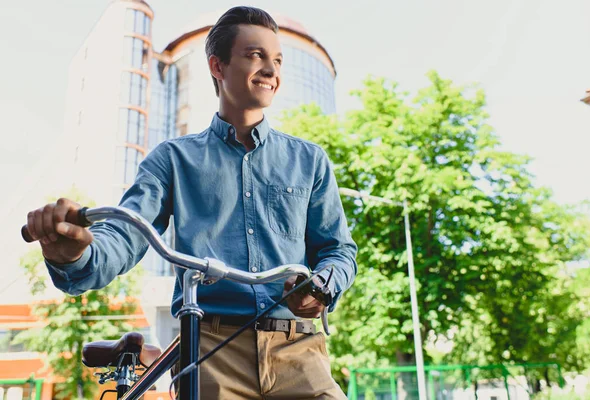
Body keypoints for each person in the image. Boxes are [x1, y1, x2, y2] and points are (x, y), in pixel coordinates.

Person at [24, 6, 357, 399]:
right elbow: (126, 232)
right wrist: (74, 254)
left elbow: (338, 250)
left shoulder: (309, 160)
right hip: (211, 351)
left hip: (298, 348)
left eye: (277, 59)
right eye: (255, 55)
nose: (271, 69)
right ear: (217, 66)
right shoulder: (173, 159)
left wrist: (321, 285)